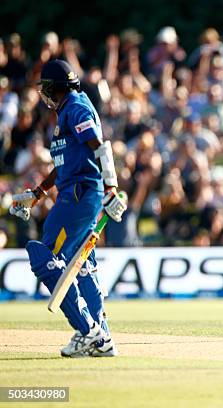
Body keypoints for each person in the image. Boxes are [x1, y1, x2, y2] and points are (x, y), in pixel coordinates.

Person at [9, 60, 127, 357]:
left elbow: (100, 146)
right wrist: (38, 192)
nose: (43, 94)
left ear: (54, 88)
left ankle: (90, 332)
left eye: (45, 88)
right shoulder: (66, 112)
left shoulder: (75, 107)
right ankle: (102, 336)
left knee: (43, 255)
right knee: (82, 265)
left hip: (79, 196)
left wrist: (111, 187)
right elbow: (63, 163)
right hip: (75, 194)